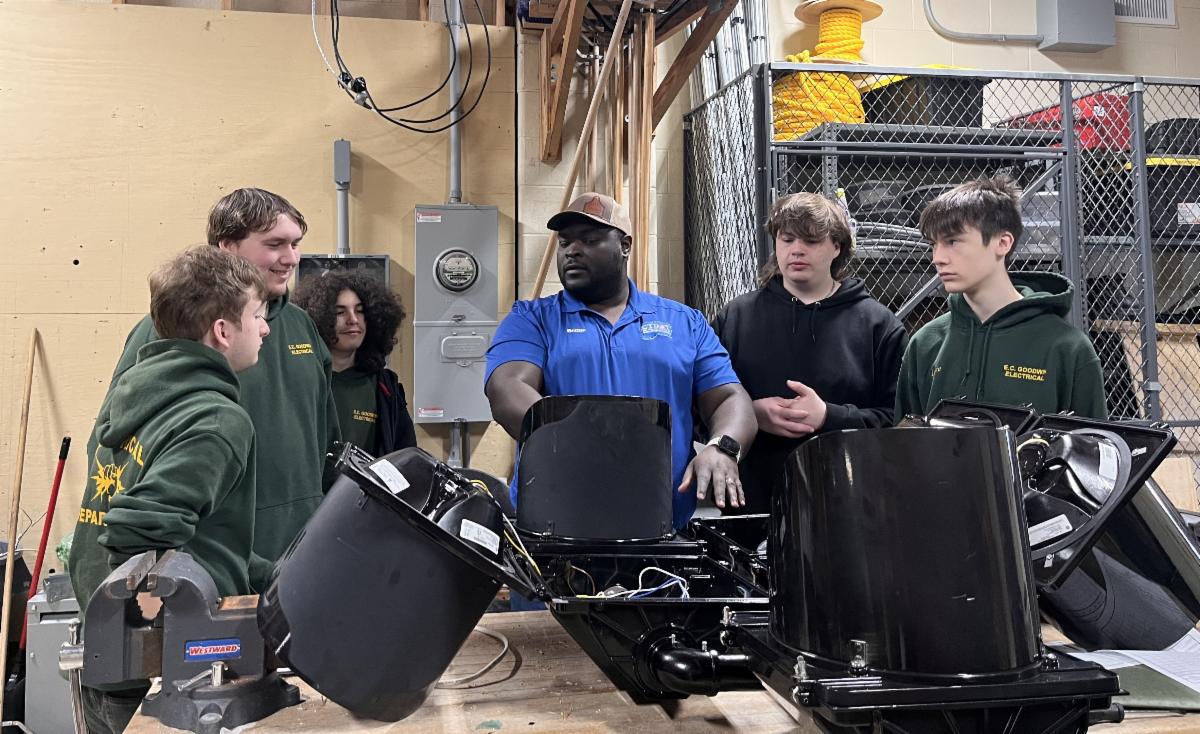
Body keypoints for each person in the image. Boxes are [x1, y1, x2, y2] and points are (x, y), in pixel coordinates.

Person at [68, 246, 270, 734]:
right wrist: (168, 648)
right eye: (257, 315)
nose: (265, 328)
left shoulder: (137, 394)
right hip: (167, 676)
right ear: (223, 331)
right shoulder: (214, 418)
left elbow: (194, 535)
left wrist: (272, 574)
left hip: (103, 659)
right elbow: (137, 533)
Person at [102, 188, 340, 588]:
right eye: (275, 244)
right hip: (215, 559)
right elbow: (120, 442)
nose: (291, 258)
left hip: (296, 552)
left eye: (296, 244)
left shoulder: (301, 326)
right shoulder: (167, 329)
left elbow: (326, 437)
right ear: (228, 248)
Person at [485, 192, 757, 529]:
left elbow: (730, 398)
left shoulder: (684, 323)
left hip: (663, 526)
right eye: (565, 242)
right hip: (556, 523)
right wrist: (581, 443)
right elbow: (507, 386)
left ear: (625, 246)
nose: (572, 250)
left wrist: (722, 448)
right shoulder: (532, 319)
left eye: (590, 240)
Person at [712, 193, 908, 515]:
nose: (797, 250)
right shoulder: (735, 318)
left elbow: (900, 423)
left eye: (811, 240)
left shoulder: (878, 325)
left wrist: (829, 416)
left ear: (837, 246)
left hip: (851, 506)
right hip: (752, 507)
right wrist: (747, 415)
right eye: (787, 239)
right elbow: (699, 407)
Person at [895, 175, 1107, 420]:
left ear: (1003, 243)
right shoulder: (924, 345)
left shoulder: (1067, 348)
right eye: (934, 244)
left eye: (953, 241)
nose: (938, 258)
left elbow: (1092, 442)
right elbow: (906, 439)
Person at [294, 270, 417, 456]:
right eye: (340, 312)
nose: (353, 320)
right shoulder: (302, 381)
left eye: (360, 311)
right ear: (318, 319)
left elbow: (405, 456)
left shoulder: (385, 387)